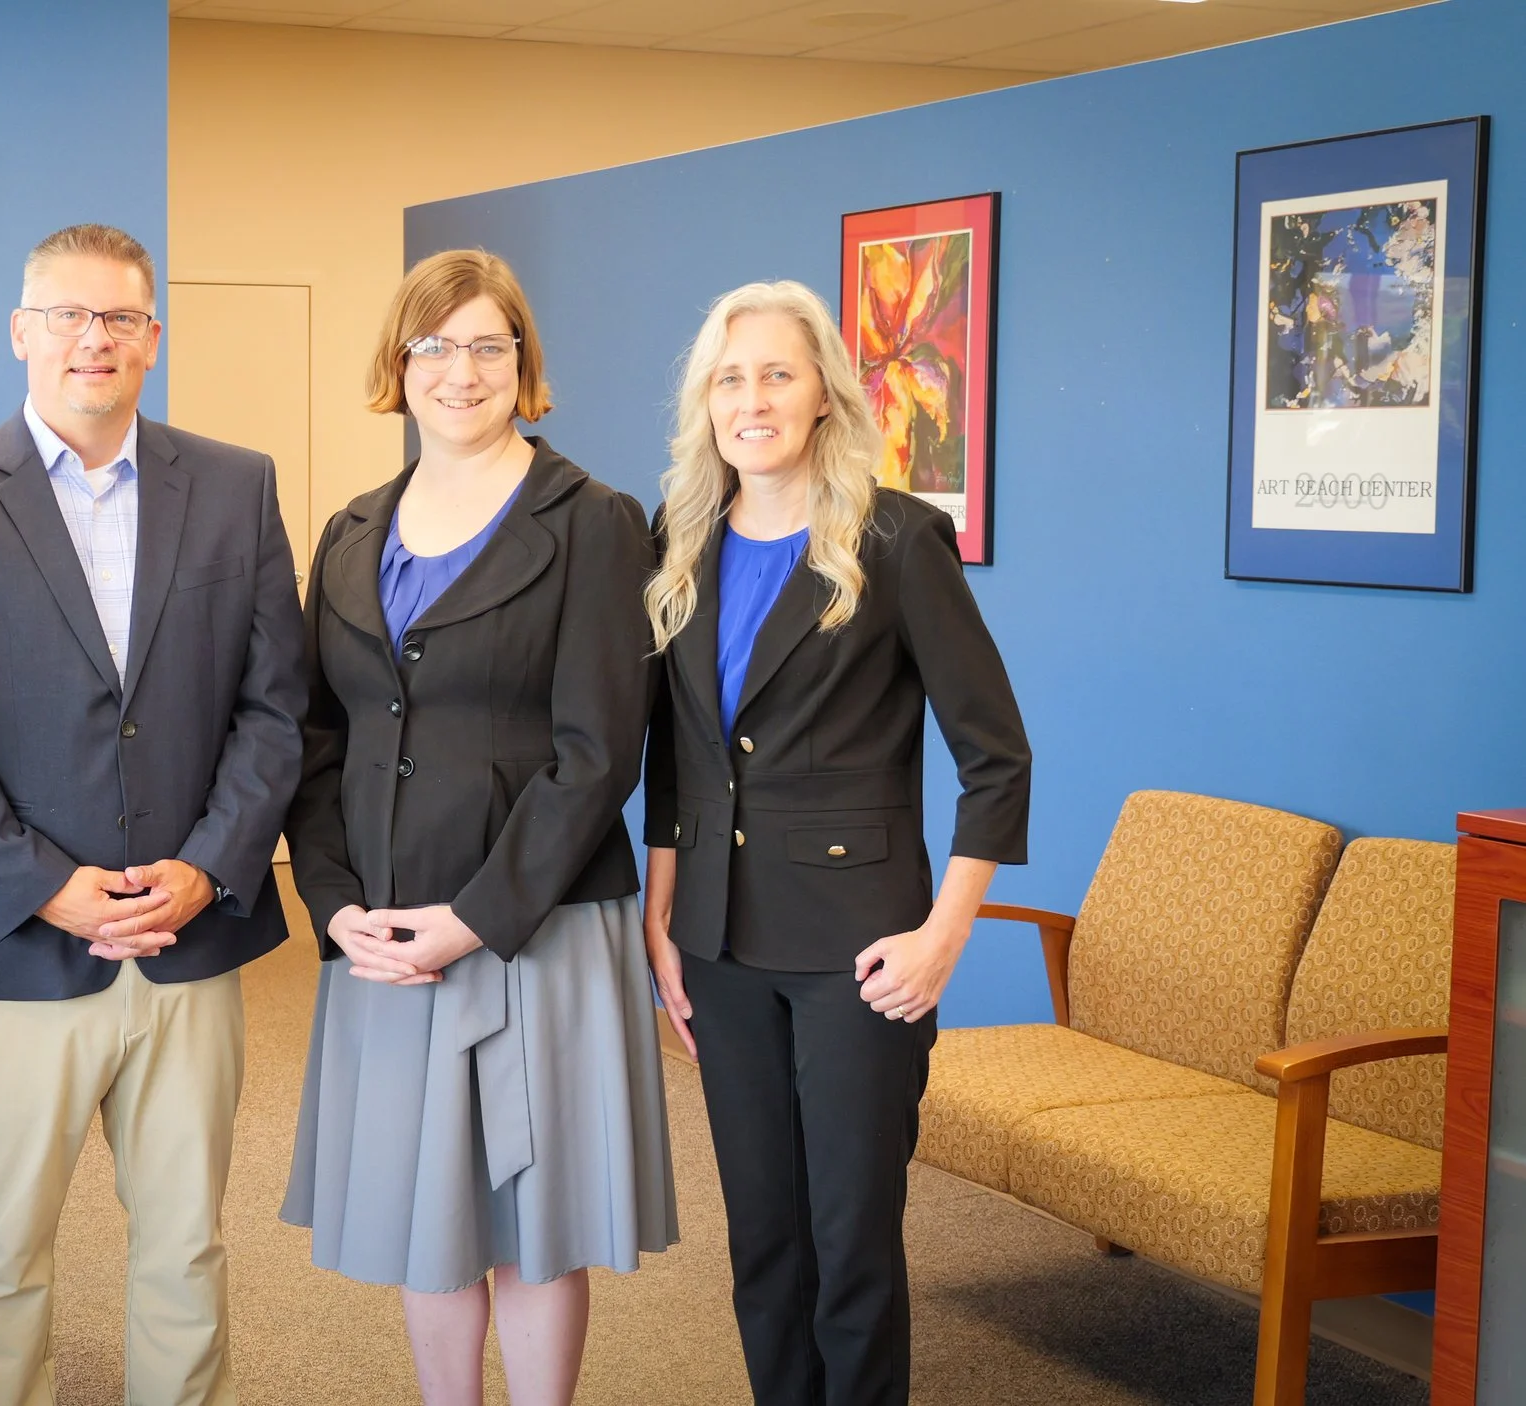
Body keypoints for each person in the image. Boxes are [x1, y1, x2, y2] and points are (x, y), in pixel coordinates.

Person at [0, 223, 306, 1406]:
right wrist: (42, 880)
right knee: (0, 1256)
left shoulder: (234, 483)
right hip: (19, 945)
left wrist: (210, 867)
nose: (92, 339)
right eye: (66, 314)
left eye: (117, 317)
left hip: (190, 939)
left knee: (185, 1246)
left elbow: (277, 706)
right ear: (21, 331)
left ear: (152, 337)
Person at [282, 248, 678, 1406]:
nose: (461, 370)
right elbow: (317, 738)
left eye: (488, 345)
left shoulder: (595, 521)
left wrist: (472, 918)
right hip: (383, 930)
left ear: (525, 364)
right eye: (434, 345)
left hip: (530, 923)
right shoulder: (351, 531)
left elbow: (599, 751)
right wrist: (338, 902)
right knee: (427, 1211)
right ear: (397, 367)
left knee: (528, 1218)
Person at [640, 281, 1030, 1406]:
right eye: (729, 377)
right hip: (716, 940)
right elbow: (676, 753)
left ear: (823, 396)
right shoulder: (680, 540)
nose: (750, 398)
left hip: (861, 950)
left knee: (849, 1244)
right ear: (703, 402)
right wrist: (660, 914)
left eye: (776, 374)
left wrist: (941, 936)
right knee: (764, 1244)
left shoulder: (898, 539)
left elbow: (997, 757)